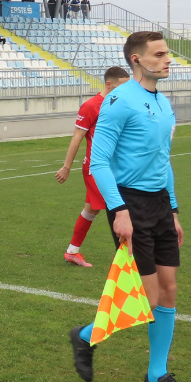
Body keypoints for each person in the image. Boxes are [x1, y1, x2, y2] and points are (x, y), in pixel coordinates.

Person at [68, 31, 191, 382]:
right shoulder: (118, 101)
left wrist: (172, 210)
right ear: (137, 59)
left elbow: (162, 161)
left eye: (168, 54)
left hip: (158, 203)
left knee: (169, 289)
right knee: (148, 295)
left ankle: (156, 376)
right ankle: (85, 336)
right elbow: (98, 162)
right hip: (130, 203)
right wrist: (119, 211)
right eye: (159, 54)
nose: (167, 59)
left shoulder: (162, 102)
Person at [55, 66, 132, 267]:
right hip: (95, 168)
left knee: (91, 210)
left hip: (113, 168)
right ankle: (128, 257)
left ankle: (72, 251)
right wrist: (66, 166)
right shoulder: (91, 106)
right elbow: (76, 138)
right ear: (109, 84)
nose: (126, 91)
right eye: (122, 86)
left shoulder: (120, 104)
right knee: (120, 208)